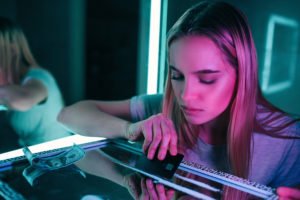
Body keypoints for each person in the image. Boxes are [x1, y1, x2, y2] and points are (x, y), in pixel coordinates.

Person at [58, 1, 300, 199]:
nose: (185, 95)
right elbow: (68, 116)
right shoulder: (163, 108)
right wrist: (128, 133)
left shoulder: (287, 138)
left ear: (242, 75)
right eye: (177, 76)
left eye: (207, 79)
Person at [0, 16, 71, 146]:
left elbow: (22, 101)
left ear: (12, 49)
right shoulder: (13, 84)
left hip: (59, 159)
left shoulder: (39, 77)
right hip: (35, 160)